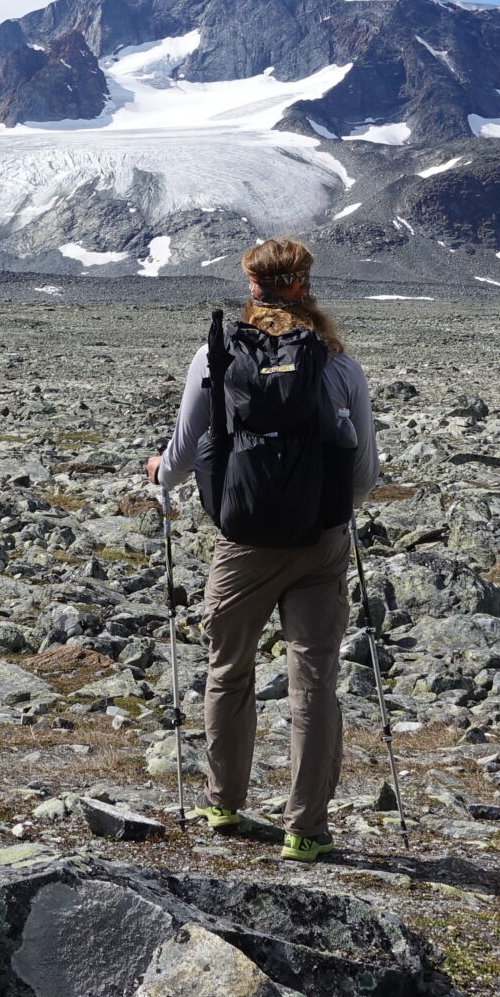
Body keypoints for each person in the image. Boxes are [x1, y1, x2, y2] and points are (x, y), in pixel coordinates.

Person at [146, 236, 379, 863]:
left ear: (251, 289)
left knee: (228, 670)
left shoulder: (216, 356)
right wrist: (327, 508)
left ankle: (223, 801)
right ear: (306, 286)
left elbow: (185, 450)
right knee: (314, 682)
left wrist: (159, 475)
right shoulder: (338, 366)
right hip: (320, 544)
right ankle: (306, 828)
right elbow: (363, 475)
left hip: (242, 543)